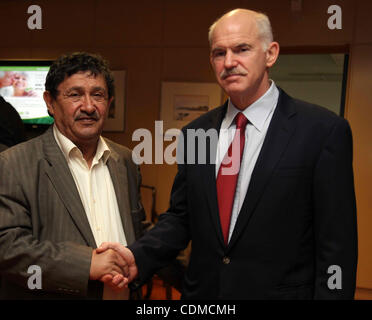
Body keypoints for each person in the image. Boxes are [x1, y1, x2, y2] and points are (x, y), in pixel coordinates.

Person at [99, 9, 358, 299]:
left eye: (242, 49)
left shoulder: (322, 131)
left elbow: (336, 246)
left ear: (270, 54)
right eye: (219, 53)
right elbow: (181, 217)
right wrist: (138, 257)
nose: (229, 62)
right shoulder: (195, 133)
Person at [0, 52, 146, 299]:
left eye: (97, 95)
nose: (88, 106)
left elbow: (137, 229)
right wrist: (86, 264)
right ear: (50, 102)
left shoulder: (125, 161)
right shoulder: (13, 163)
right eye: (75, 94)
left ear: (108, 103)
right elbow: (8, 247)